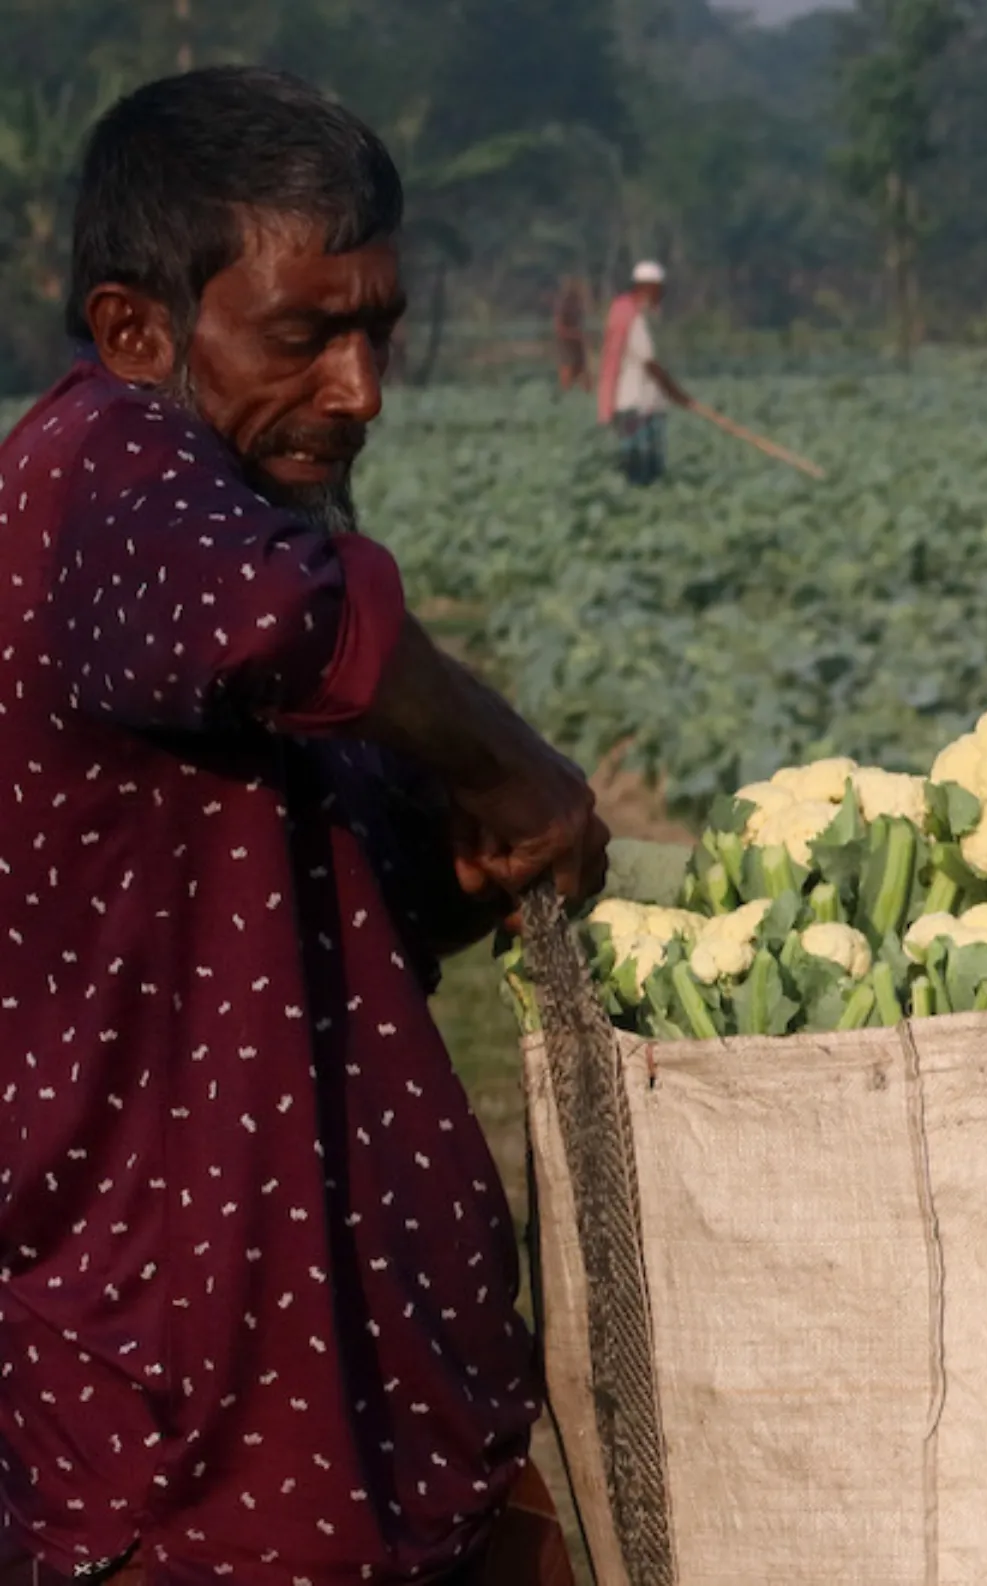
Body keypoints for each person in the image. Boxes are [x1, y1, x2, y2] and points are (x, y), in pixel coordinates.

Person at [0, 68, 605, 1582]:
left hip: (349, 1411)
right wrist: (512, 773)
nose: (360, 390)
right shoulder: (102, 470)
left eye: (377, 329)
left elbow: (303, 904)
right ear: (138, 328)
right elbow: (275, 613)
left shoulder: (209, 509)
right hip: (186, 1431)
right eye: (304, 336)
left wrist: (459, 861)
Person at [596, 259, 688, 485]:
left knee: (643, 464)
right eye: (658, 290)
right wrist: (675, 392)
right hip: (637, 405)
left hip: (640, 404)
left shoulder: (628, 313)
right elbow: (650, 364)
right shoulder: (633, 317)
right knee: (643, 466)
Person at [551, 274, 589, 395]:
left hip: (577, 346)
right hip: (566, 346)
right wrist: (575, 334)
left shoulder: (577, 305)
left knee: (584, 379)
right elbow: (559, 328)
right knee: (566, 380)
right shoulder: (563, 304)